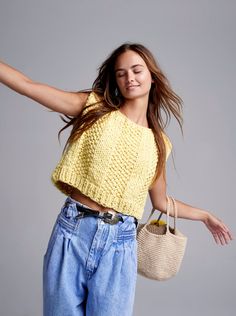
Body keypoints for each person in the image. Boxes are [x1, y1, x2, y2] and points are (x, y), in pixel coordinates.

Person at [0, 42, 233, 316]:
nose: (129, 78)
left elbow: (160, 201)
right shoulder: (93, 108)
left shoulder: (159, 143)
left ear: (152, 76)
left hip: (120, 244)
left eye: (137, 70)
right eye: (121, 73)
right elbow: (28, 85)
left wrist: (204, 215)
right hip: (73, 231)